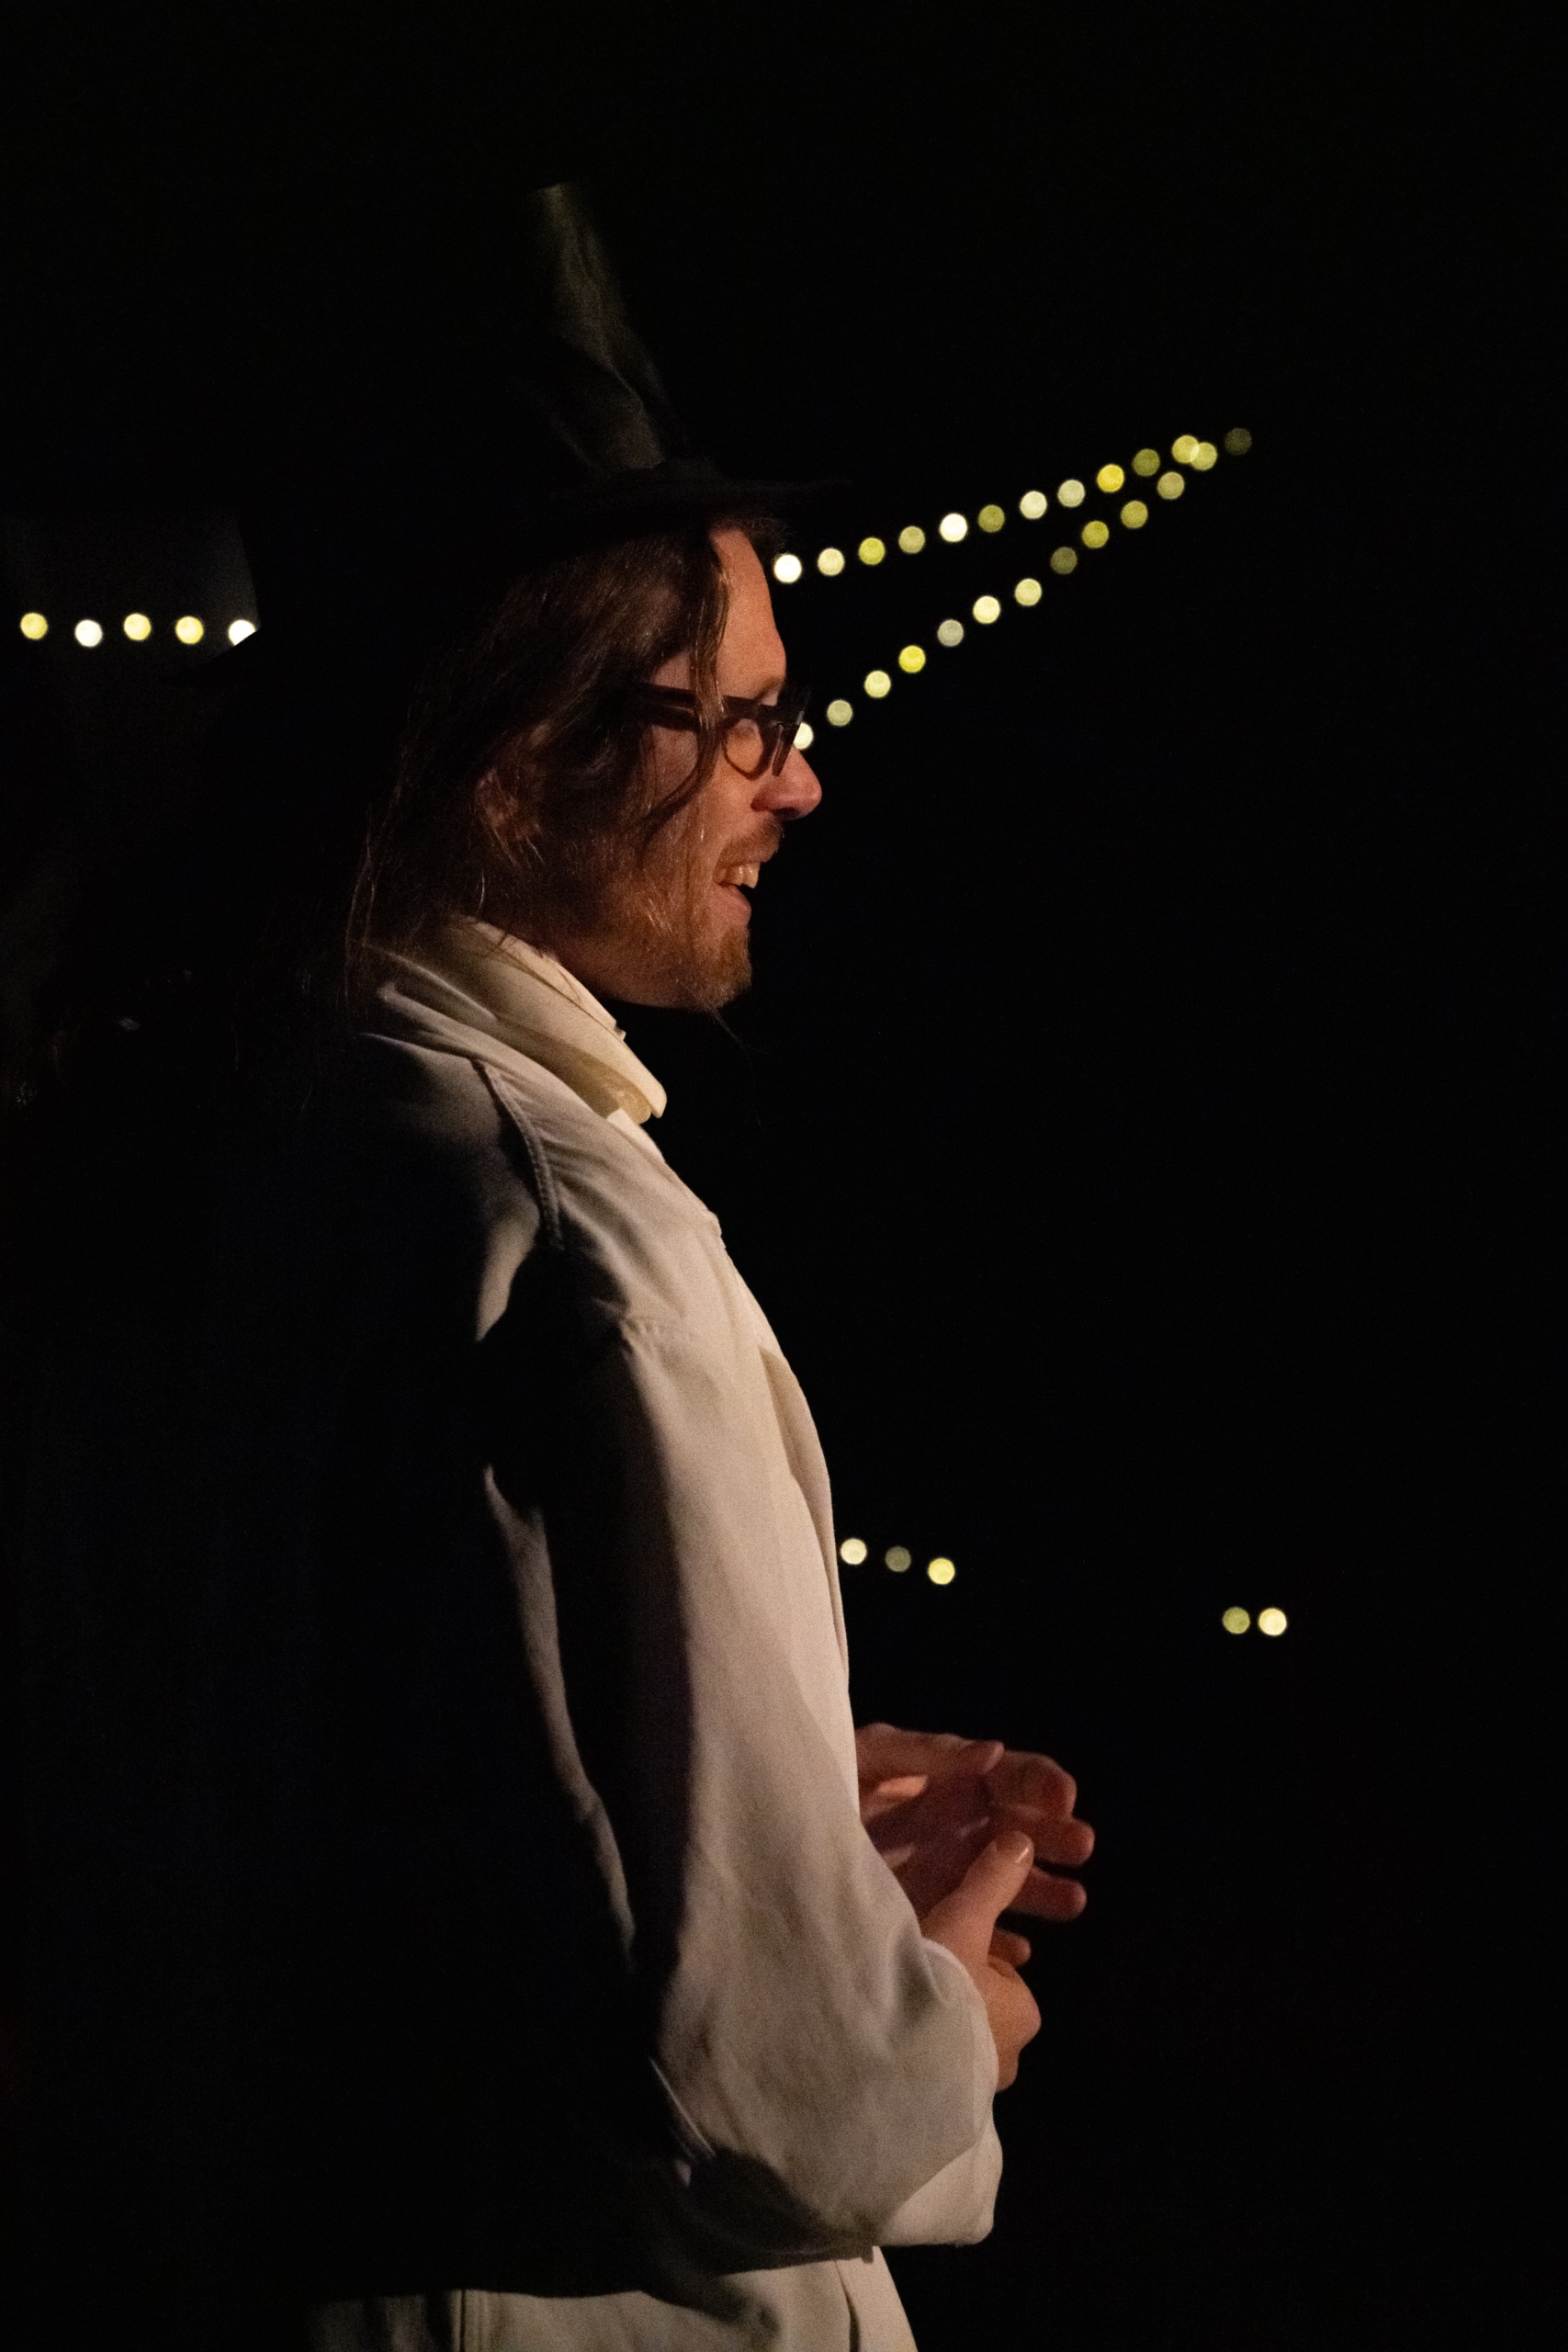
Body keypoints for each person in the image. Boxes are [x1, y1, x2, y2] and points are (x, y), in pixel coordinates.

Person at [4, 188, 1093, 2352]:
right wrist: (938, 2010)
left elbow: (278, 1812)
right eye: (743, 720)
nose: (800, 779)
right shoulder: (574, 1244)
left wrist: (753, 1781)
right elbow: (775, 2090)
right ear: (519, 763)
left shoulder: (180, 1145)